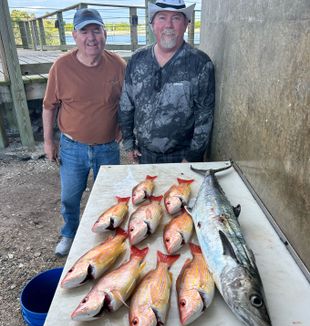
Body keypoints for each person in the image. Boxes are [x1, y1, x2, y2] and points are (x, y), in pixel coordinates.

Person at [42, 8, 126, 256]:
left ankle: (107, 235)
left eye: (96, 30)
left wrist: (122, 131)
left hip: (108, 146)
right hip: (72, 146)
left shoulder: (118, 65)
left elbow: (128, 103)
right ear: (74, 36)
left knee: (110, 196)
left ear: (105, 33)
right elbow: (49, 107)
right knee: (70, 196)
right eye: (85, 31)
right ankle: (69, 232)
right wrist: (48, 142)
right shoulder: (61, 66)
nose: (92, 38)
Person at [118, 0, 215, 164]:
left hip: (182, 156)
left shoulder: (200, 63)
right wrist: (129, 142)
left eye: (176, 18)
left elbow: (204, 114)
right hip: (144, 153)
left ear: (186, 24)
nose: (168, 25)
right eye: (162, 18)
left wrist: (193, 156)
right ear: (152, 24)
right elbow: (126, 103)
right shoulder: (137, 59)